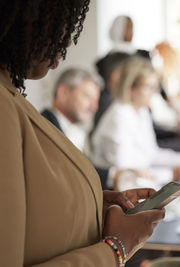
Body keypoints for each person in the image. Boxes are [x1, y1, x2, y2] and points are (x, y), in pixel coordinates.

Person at [0, 1, 164, 266]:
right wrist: (115, 248)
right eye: (62, 25)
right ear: (27, 16)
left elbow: (32, 208)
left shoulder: (11, 98)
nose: (66, 43)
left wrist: (91, 203)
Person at [91, 57, 180, 184]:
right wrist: (172, 174)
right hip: (119, 193)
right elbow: (126, 174)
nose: (155, 92)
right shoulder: (118, 117)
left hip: (141, 185)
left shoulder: (142, 111)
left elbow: (152, 154)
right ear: (131, 88)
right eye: (150, 87)